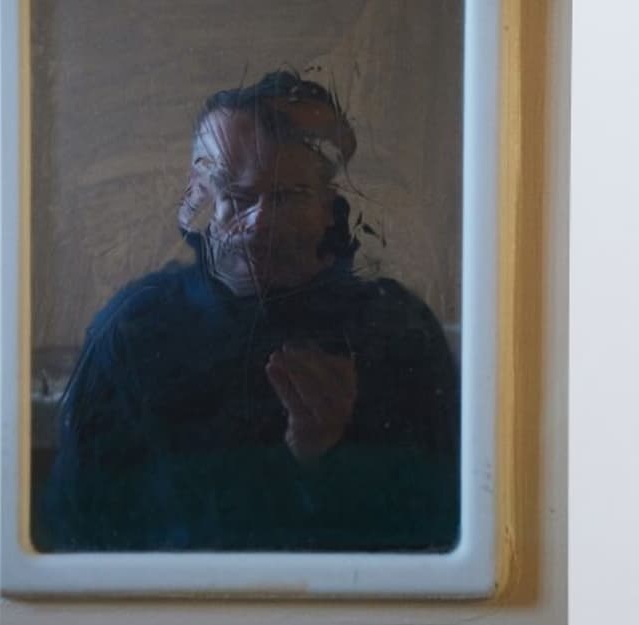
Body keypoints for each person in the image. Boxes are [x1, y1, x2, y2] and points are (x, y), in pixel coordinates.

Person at [41, 71, 460, 552]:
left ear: (330, 204)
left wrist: (331, 458)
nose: (260, 224)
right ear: (202, 201)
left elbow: (445, 526)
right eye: (238, 198)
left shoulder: (394, 331)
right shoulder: (135, 330)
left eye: (288, 196)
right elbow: (77, 526)